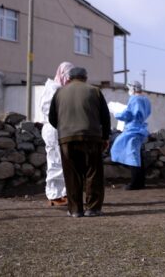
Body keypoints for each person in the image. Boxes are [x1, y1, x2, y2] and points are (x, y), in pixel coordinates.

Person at [48, 67, 111, 218]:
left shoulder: (59, 92)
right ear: (85, 77)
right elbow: (105, 117)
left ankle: (75, 210)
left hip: (67, 138)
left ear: (69, 78)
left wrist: (65, 129)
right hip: (91, 137)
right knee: (93, 172)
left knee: (72, 174)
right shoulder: (95, 91)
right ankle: (93, 209)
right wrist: (105, 137)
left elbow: (52, 118)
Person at [40, 61, 74, 207]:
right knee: (55, 162)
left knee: (64, 161)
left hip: (62, 128)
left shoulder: (62, 89)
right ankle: (54, 195)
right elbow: (48, 110)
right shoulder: (53, 89)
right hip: (54, 129)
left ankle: (64, 193)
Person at [110, 81, 152, 190]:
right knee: (138, 155)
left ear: (132, 88)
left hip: (133, 129)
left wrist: (116, 114)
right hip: (140, 128)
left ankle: (135, 183)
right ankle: (140, 182)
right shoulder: (146, 99)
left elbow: (128, 114)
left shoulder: (134, 99)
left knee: (133, 156)